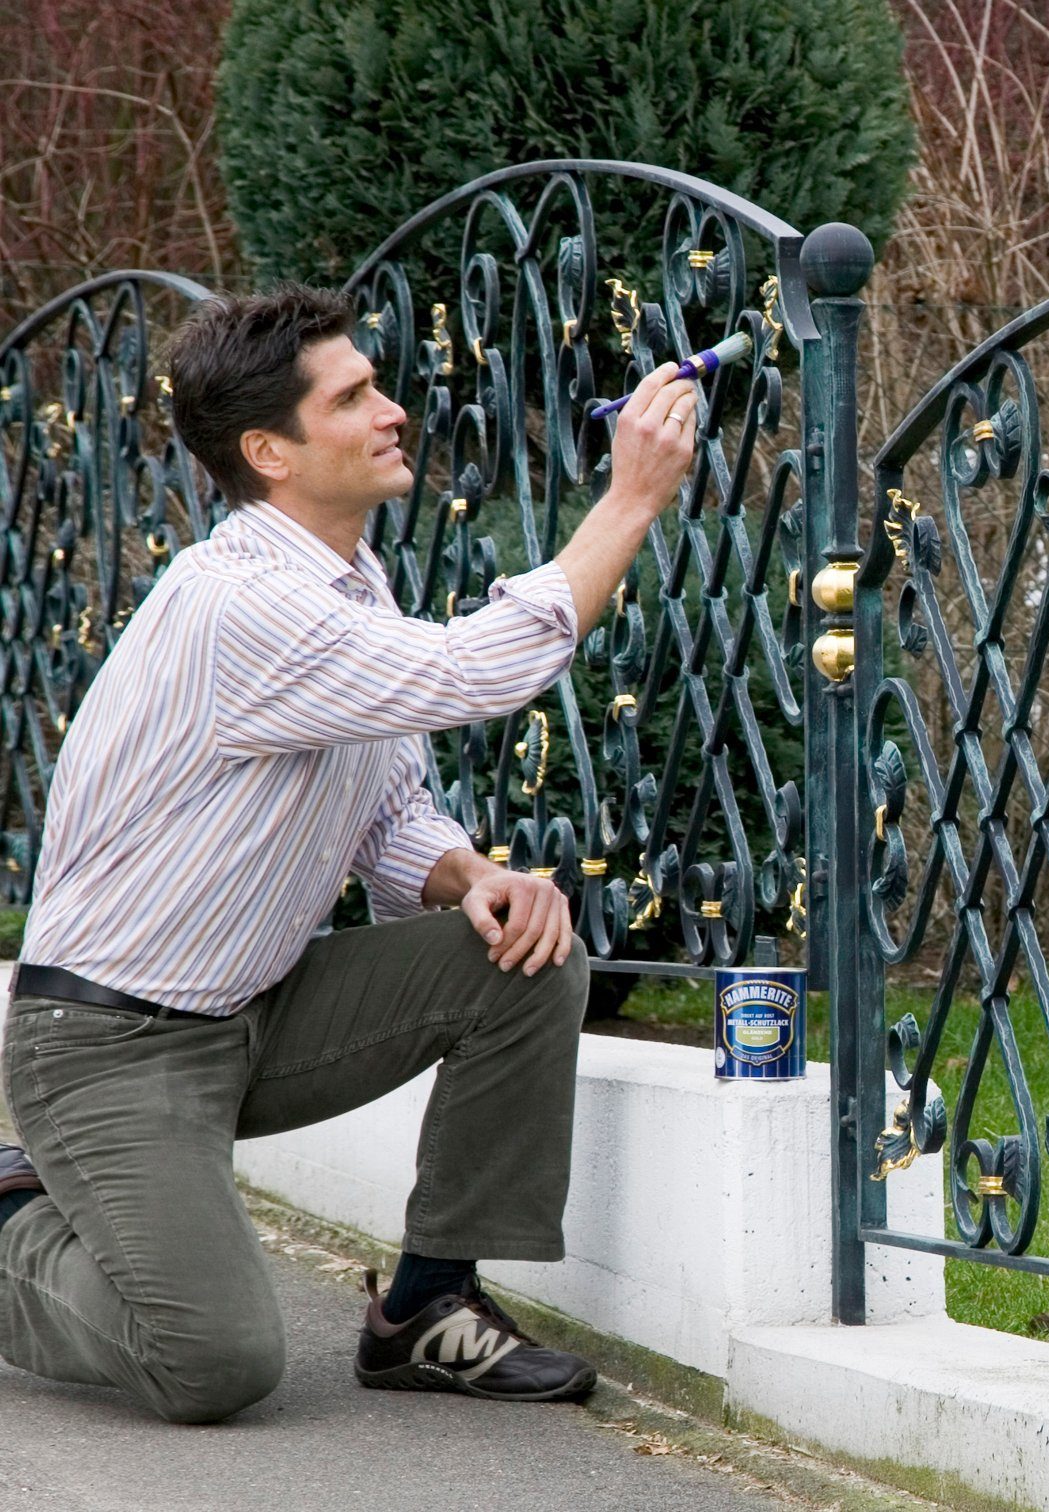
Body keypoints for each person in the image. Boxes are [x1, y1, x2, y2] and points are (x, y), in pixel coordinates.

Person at [0, 283, 700, 1422]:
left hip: (253, 1012)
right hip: (106, 1047)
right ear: (269, 451)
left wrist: (474, 877)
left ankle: (427, 1307)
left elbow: (384, 818)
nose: (392, 412)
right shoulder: (241, 603)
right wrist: (626, 502)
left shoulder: (349, 584)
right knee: (213, 1365)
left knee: (520, 954)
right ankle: (11, 1220)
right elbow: (475, 674)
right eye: (355, 397)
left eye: (377, 386)